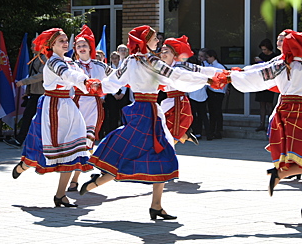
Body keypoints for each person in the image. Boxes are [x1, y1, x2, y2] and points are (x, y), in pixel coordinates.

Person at [79, 26, 218, 220]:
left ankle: (154, 204)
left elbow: (113, 82)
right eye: (154, 39)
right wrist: (209, 80)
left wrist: (97, 87)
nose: (157, 42)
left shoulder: (130, 61)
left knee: (141, 152)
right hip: (149, 112)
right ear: (145, 42)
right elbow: (176, 77)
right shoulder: (152, 61)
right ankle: (105, 185)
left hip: (139, 109)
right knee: (160, 154)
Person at [228, 30, 302, 220]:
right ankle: (279, 174)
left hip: (283, 112)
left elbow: (256, 75)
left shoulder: (281, 64)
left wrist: (232, 76)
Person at [11, 28, 99, 207]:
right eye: (61, 40)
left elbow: (78, 76)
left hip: (69, 106)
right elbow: (68, 75)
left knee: (74, 149)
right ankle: (23, 166)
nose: (65, 43)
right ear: (52, 44)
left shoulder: (70, 61)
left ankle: (60, 195)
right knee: (41, 147)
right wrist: (84, 82)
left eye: (66, 40)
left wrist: (91, 84)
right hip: (52, 108)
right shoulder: (53, 62)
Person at [68, 25, 113, 192]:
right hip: (76, 106)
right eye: (78, 46)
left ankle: (75, 179)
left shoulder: (99, 66)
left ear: (90, 47)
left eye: (84, 45)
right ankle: (87, 168)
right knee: (75, 143)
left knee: (87, 141)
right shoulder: (70, 65)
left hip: (94, 106)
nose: (81, 48)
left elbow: (115, 77)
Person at [160, 36, 221, 144]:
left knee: (167, 133)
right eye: (162, 51)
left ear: (174, 55)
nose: (163, 54)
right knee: (162, 130)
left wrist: (220, 76)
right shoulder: (162, 67)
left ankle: (180, 138)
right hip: (169, 101)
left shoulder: (181, 67)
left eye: (166, 51)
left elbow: (202, 71)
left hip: (178, 103)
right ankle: (184, 135)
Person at [3, 41, 46, 148]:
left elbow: (41, 75)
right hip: (35, 93)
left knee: (37, 118)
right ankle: (20, 140)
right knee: (29, 117)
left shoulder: (44, 59)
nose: (31, 47)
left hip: (42, 94)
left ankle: (21, 140)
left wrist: (24, 82)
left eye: (34, 45)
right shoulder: (36, 58)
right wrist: (27, 93)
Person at [253, 39, 277, 132]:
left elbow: (272, 67)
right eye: (262, 49)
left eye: (265, 49)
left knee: (269, 104)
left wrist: (262, 62)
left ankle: (270, 124)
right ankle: (261, 123)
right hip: (261, 82)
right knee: (262, 103)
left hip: (270, 82)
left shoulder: (274, 56)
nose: (263, 51)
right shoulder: (261, 56)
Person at [205, 49, 227, 140]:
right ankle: (213, 130)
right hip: (212, 91)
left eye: (208, 57)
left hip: (217, 92)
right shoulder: (211, 66)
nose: (207, 59)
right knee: (212, 112)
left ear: (212, 57)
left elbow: (224, 79)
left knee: (217, 111)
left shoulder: (218, 67)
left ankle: (218, 130)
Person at [102, 51, 124, 136]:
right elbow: (107, 82)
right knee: (112, 114)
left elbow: (124, 81)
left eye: (116, 58)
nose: (114, 60)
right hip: (111, 94)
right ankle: (111, 133)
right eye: (113, 58)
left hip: (122, 94)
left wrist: (122, 93)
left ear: (119, 59)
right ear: (111, 59)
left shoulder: (122, 68)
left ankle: (121, 133)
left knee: (122, 114)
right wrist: (114, 94)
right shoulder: (108, 68)